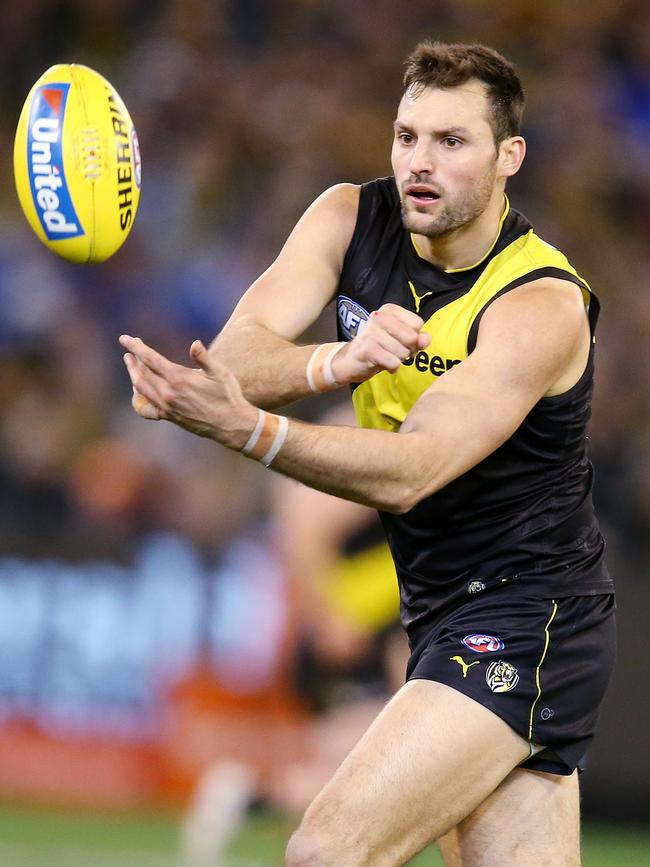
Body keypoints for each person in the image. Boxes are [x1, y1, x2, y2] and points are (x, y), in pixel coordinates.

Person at [120, 40, 616, 867]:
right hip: (436, 606)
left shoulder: (540, 301)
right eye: (407, 135)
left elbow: (417, 468)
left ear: (509, 158)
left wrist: (248, 430)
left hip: (531, 617)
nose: (419, 162)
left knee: (326, 850)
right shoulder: (351, 217)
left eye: (451, 142)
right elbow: (235, 355)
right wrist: (332, 361)